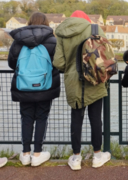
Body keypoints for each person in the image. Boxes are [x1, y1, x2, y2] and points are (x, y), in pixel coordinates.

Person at [53, 10, 111, 170]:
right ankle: (98, 156)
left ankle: (76, 157)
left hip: (74, 82)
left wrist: (71, 68)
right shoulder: (95, 29)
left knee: (76, 119)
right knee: (96, 119)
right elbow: (106, 55)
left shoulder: (62, 33)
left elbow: (58, 62)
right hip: (95, 80)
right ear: (86, 19)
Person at [8, 12, 61, 166]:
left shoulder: (19, 40)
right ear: (46, 22)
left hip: (24, 86)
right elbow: (58, 63)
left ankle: (25, 154)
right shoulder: (52, 40)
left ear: (29, 22)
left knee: (26, 118)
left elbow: (12, 63)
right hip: (45, 85)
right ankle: (37, 154)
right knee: (41, 118)